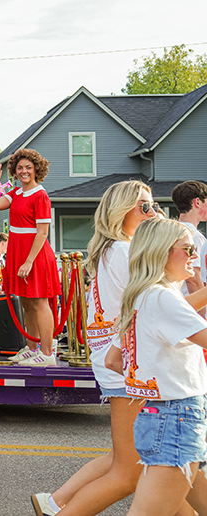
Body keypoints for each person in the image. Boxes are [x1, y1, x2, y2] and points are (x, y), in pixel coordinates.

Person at [31, 181, 161, 516]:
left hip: (118, 360)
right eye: (144, 206)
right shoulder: (125, 251)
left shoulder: (114, 249)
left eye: (153, 205)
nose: (152, 212)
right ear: (121, 211)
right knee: (130, 472)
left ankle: (54, 502)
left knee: (125, 459)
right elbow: (152, 304)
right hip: (128, 364)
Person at [114, 218, 207, 516]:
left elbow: (113, 360)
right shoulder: (163, 298)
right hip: (178, 416)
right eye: (188, 248)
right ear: (163, 252)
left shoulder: (142, 296)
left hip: (161, 414)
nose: (195, 255)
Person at [0, 149, 62, 366]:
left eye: (28, 167)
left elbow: (42, 233)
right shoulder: (16, 193)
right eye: (20, 167)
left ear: (37, 169)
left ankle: (47, 354)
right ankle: (32, 349)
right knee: (27, 303)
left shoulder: (40, 195)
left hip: (35, 255)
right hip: (18, 253)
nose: (24, 171)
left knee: (40, 302)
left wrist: (29, 261)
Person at [171, 181, 207, 297]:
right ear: (197, 202)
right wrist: (202, 308)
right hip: (189, 302)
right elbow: (194, 279)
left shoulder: (170, 231)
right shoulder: (193, 236)